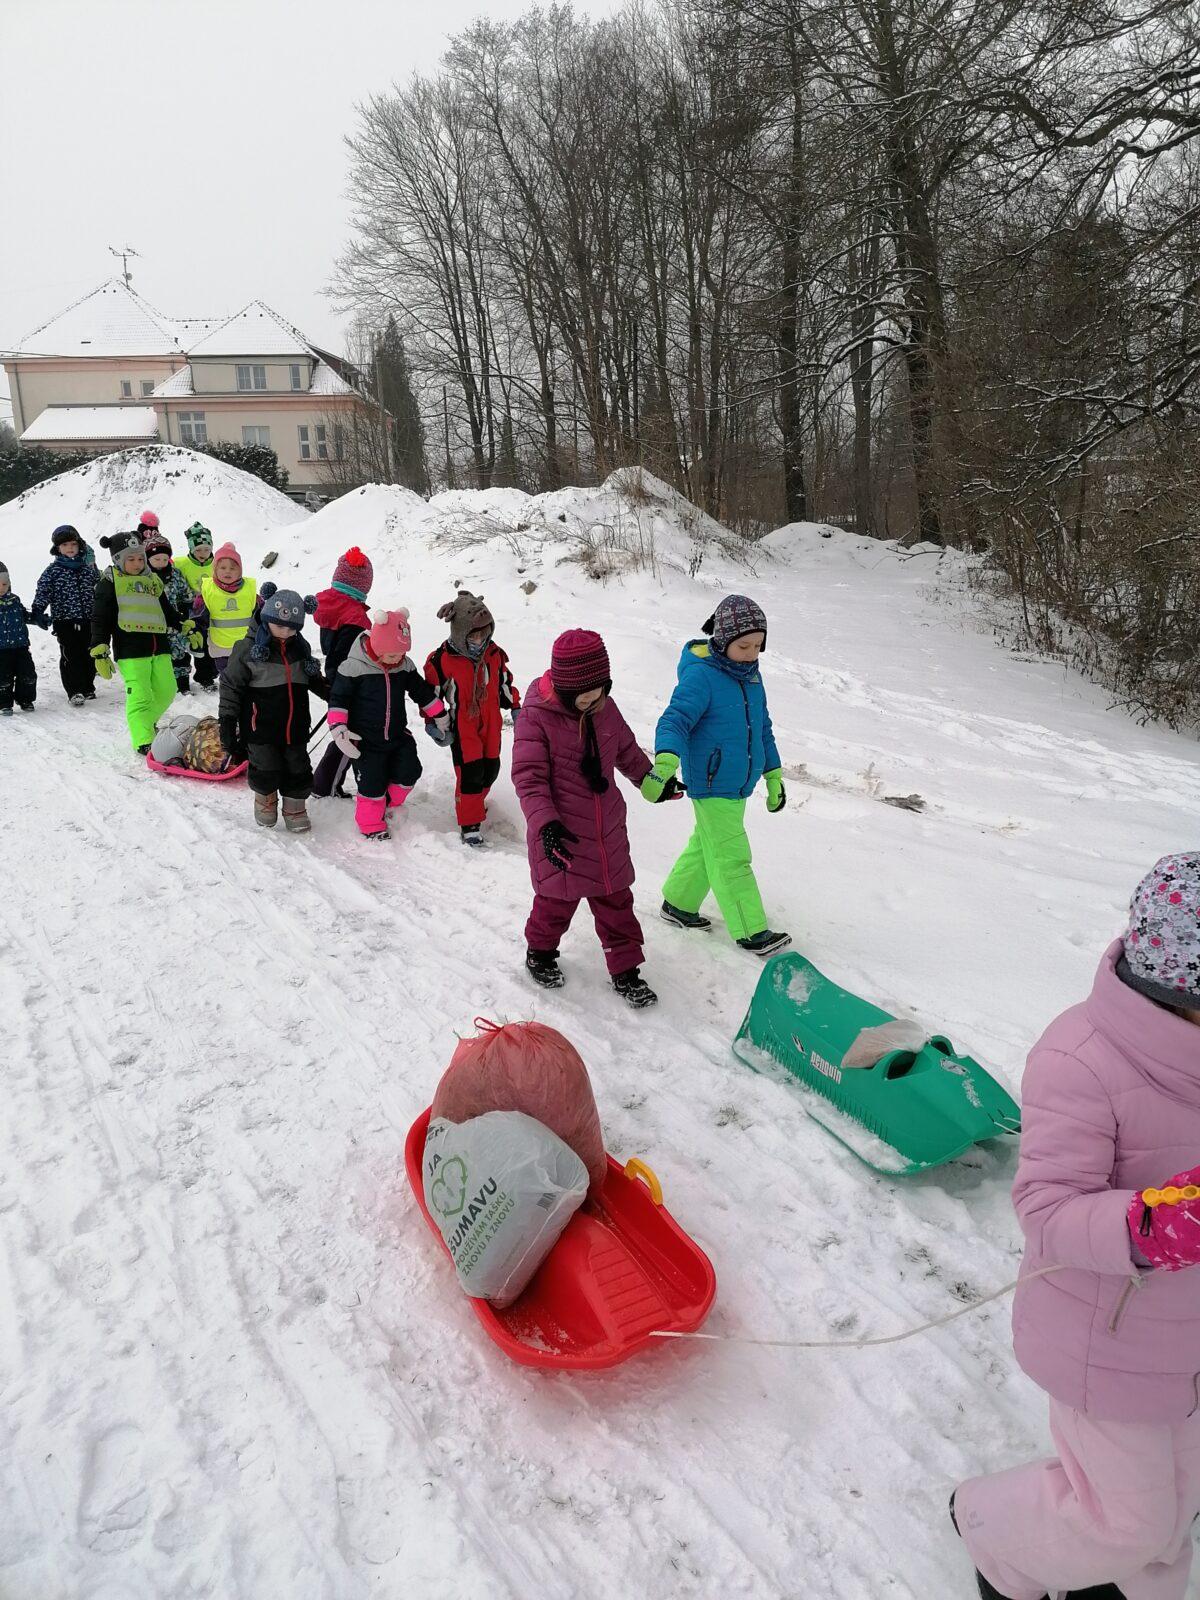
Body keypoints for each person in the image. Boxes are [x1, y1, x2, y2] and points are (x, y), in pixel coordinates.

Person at [952, 853, 1200, 1600]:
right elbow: (1048, 1207)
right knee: (1128, 1518)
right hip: (1111, 1345)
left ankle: (1136, 1588)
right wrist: (1153, 1224)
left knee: (1175, 1505)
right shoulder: (1081, 1059)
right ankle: (992, 1531)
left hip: (1188, 1347)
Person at [512, 628, 676, 1009]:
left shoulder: (605, 708)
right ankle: (540, 951)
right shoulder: (536, 718)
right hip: (561, 835)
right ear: (564, 689)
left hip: (606, 834)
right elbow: (528, 778)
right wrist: (546, 825)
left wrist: (653, 782)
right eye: (582, 696)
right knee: (555, 904)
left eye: (598, 692)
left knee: (617, 904)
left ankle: (626, 970)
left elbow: (628, 752)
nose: (591, 701)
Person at [649, 594, 789, 956]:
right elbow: (675, 720)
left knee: (707, 843)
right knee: (731, 854)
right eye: (744, 646)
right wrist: (665, 763)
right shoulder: (701, 677)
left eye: (758, 646)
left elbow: (764, 729)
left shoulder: (751, 677)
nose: (752, 653)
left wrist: (773, 775)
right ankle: (751, 930)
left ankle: (678, 903)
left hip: (739, 781)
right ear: (723, 640)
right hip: (711, 781)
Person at [327, 608, 449, 842]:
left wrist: (440, 715)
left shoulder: (402, 665)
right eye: (392, 655)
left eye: (402, 654)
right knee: (371, 784)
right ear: (377, 646)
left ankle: (388, 803)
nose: (397, 659)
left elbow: (420, 692)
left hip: (397, 735)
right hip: (365, 739)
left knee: (410, 772)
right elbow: (338, 700)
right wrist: (339, 729)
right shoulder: (353, 668)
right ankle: (371, 824)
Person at [219, 585, 325, 833]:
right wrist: (227, 722)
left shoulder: (300, 647)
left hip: (295, 725)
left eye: (292, 628)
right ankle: (265, 800)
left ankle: (295, 807)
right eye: (280, 625)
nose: (286, 632)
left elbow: (312, 680)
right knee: (265, 766)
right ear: (267, 617)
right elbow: (230, 686)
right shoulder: (248, 649)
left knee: (298, 767)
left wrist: (337, 697)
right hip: (260, 727)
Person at [424, 590, 521, 848]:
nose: (480, 638)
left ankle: (475, 803)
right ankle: (470, 824)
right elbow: (431, 695)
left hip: (491, 726)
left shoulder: (494, 654)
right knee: (470, 775)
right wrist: (433, 722)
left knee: (490, 770)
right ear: (459, 632)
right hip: (463, 727)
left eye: (484, 632)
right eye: (473, 634)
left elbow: (504, 683)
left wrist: (515, 706)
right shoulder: (443, 660)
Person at [91, 531, 194, 754]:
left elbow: (166, 610)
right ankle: (143, 739)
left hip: (159, 645)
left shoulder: (152, 580)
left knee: (167, 689)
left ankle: (145, 724)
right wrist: (99, 647)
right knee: (141, 695)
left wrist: (182, 624)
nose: (137, 563)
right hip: (130, 649)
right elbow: (100, 618)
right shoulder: (109, 583)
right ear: (118, 559)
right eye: (131, 559)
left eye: (140, 558)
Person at [312, 546, 374, 799]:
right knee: (350, 737)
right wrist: (345, 691)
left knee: (346, 735)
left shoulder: (333, 606)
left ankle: (327, 784)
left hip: (337, 682)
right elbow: (346, 660)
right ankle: (324, 786)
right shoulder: (353, 617)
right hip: (348, 687)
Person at [31, 524, 99, 705]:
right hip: (64, 621)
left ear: (79, 546)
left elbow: (99, 588)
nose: (70, 548)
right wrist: (38, 611)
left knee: (89, 654)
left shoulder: (87, 569)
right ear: (57, 549)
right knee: (71, 655)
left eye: (73, 544)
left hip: (87, 619)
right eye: (65, 545)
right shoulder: (52, 572)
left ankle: (88, 687)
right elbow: (43, 592)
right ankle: (75, 690)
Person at [144, 531, 195, 697]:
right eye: (156, 559)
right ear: (147, 559)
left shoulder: (175, 574)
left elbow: (187, 595)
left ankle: (183, 683)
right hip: (153, 624)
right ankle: (162, 683)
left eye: (165, 559)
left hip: (175, 622)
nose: (161, 563)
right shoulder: (143, 577)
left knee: (180, 652)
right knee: (160, 656)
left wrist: (184, 612)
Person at [193, 542, 256, 677]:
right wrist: (195, 631)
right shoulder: (207, 592)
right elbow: (198, 617)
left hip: (246, 647)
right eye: (222, 567)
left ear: (240, 571)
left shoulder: (249, 591)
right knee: (228, 680)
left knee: (247, 680)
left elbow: (261, 615)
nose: (228, 571)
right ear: (215, 570)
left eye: (233, 568)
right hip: (221, 647)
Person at [175, 523, 217, 690]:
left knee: (205, 646)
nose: (203, 554)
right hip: (186, 609)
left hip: (209, 611)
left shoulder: (217, 563)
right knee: (186, 642)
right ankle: (181, 678)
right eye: (198, 550)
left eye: (206, 549)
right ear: (191, 549)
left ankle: (206, 678)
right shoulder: (180, 563)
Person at [0, 561, 45, 715]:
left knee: (28, 674)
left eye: (4, 584)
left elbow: (24, 616)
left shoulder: (14, 600)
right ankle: (4, 703)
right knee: (3, 678)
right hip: (1, 650)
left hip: (21, 646)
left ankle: (25, 699)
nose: (1, 588)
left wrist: (38, 619)